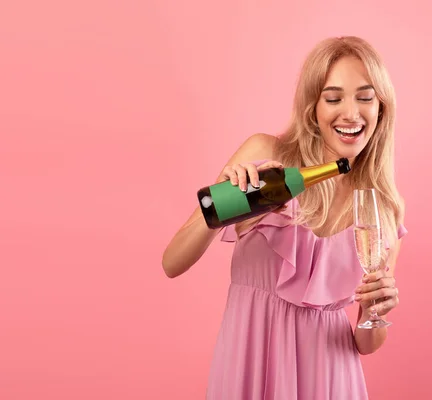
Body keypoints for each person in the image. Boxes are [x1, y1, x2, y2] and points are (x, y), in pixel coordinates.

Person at [162, 35, 408, 399]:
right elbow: (172, 262)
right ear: (313, 108)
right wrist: (226, 203)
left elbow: (366, 342)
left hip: (330, 379)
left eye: (365, 97)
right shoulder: (265, 156)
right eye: (333, 97)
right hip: (251, 364)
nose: (351, 113)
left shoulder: (384, 210)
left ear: (381, 110)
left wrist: (376, 307)